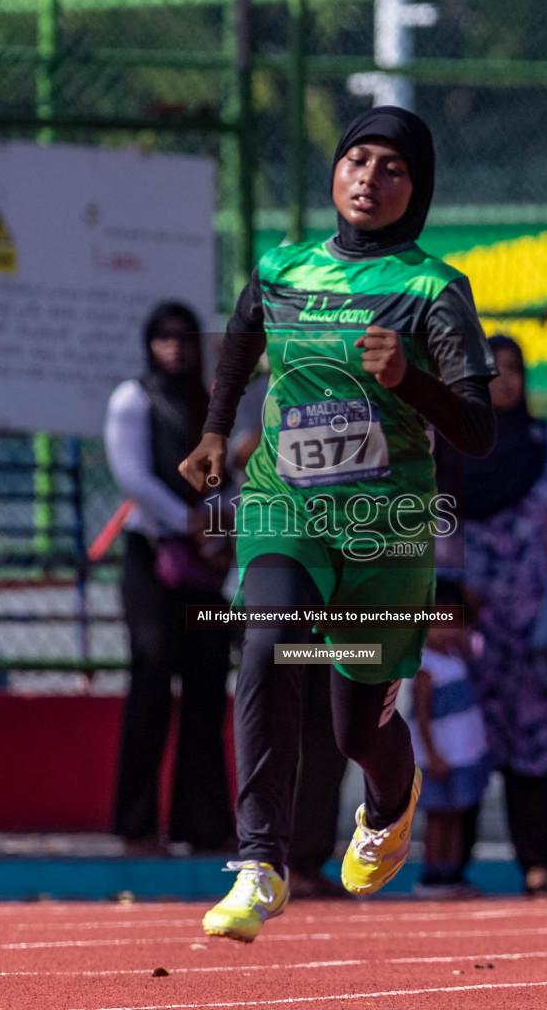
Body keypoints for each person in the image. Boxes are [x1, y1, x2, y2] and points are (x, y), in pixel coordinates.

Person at [179, 105, 497, 942]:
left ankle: (392, 800)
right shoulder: (283, 268)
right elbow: (242, 338)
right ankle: (260, 863)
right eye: (358, 158)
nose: (369, 177)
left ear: (415, 189)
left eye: (392, 168)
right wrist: (216, 432)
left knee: (356, 723)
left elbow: (477, 427)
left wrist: (410, 382)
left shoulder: (435, 289)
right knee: (266, 639)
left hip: (383, 528)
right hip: (286, 508)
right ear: (335, 172)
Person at [435, 335, 547, 897]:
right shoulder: (450, 444)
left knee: (535, 751)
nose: (504, 381)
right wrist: (442, 608)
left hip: (535, 628)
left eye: (514, 370)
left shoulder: (542, 441)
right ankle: (450, 865)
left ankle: (539, 864)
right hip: (467, 629)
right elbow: (435, 527)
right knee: (461, 743)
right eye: (491, 371)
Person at [104, 302, 235, 853]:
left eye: (184, 338)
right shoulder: (132, 398)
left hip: (205, 566)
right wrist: (188, 523)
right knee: (152, 684)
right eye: (163, 337)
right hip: (152, 560)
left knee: (207, 691)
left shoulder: (211, 407)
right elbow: (132, 475)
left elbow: (225, 480)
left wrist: (221, 530)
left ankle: (202, 826)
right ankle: (136, 826)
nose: (174, 348)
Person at [231, 365, 351, 899]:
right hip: (280, 567)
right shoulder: (261, 388)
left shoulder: (371, 382)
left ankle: (308, 857)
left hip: (350, 573)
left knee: (335, 722)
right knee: (274, 705)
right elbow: (236, 457)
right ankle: (263, 853)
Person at [410, 580, 487, 899]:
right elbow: (421, 716)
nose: (446, 631)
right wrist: (432, 754)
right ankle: (433, 872)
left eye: (452, 623)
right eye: (437, 623)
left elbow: (477, 616)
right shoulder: (425, 667)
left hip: (463, 753)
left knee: (458, 812)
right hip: (439, 755)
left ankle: (453, 871)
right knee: (438, 816)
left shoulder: (460, 657)